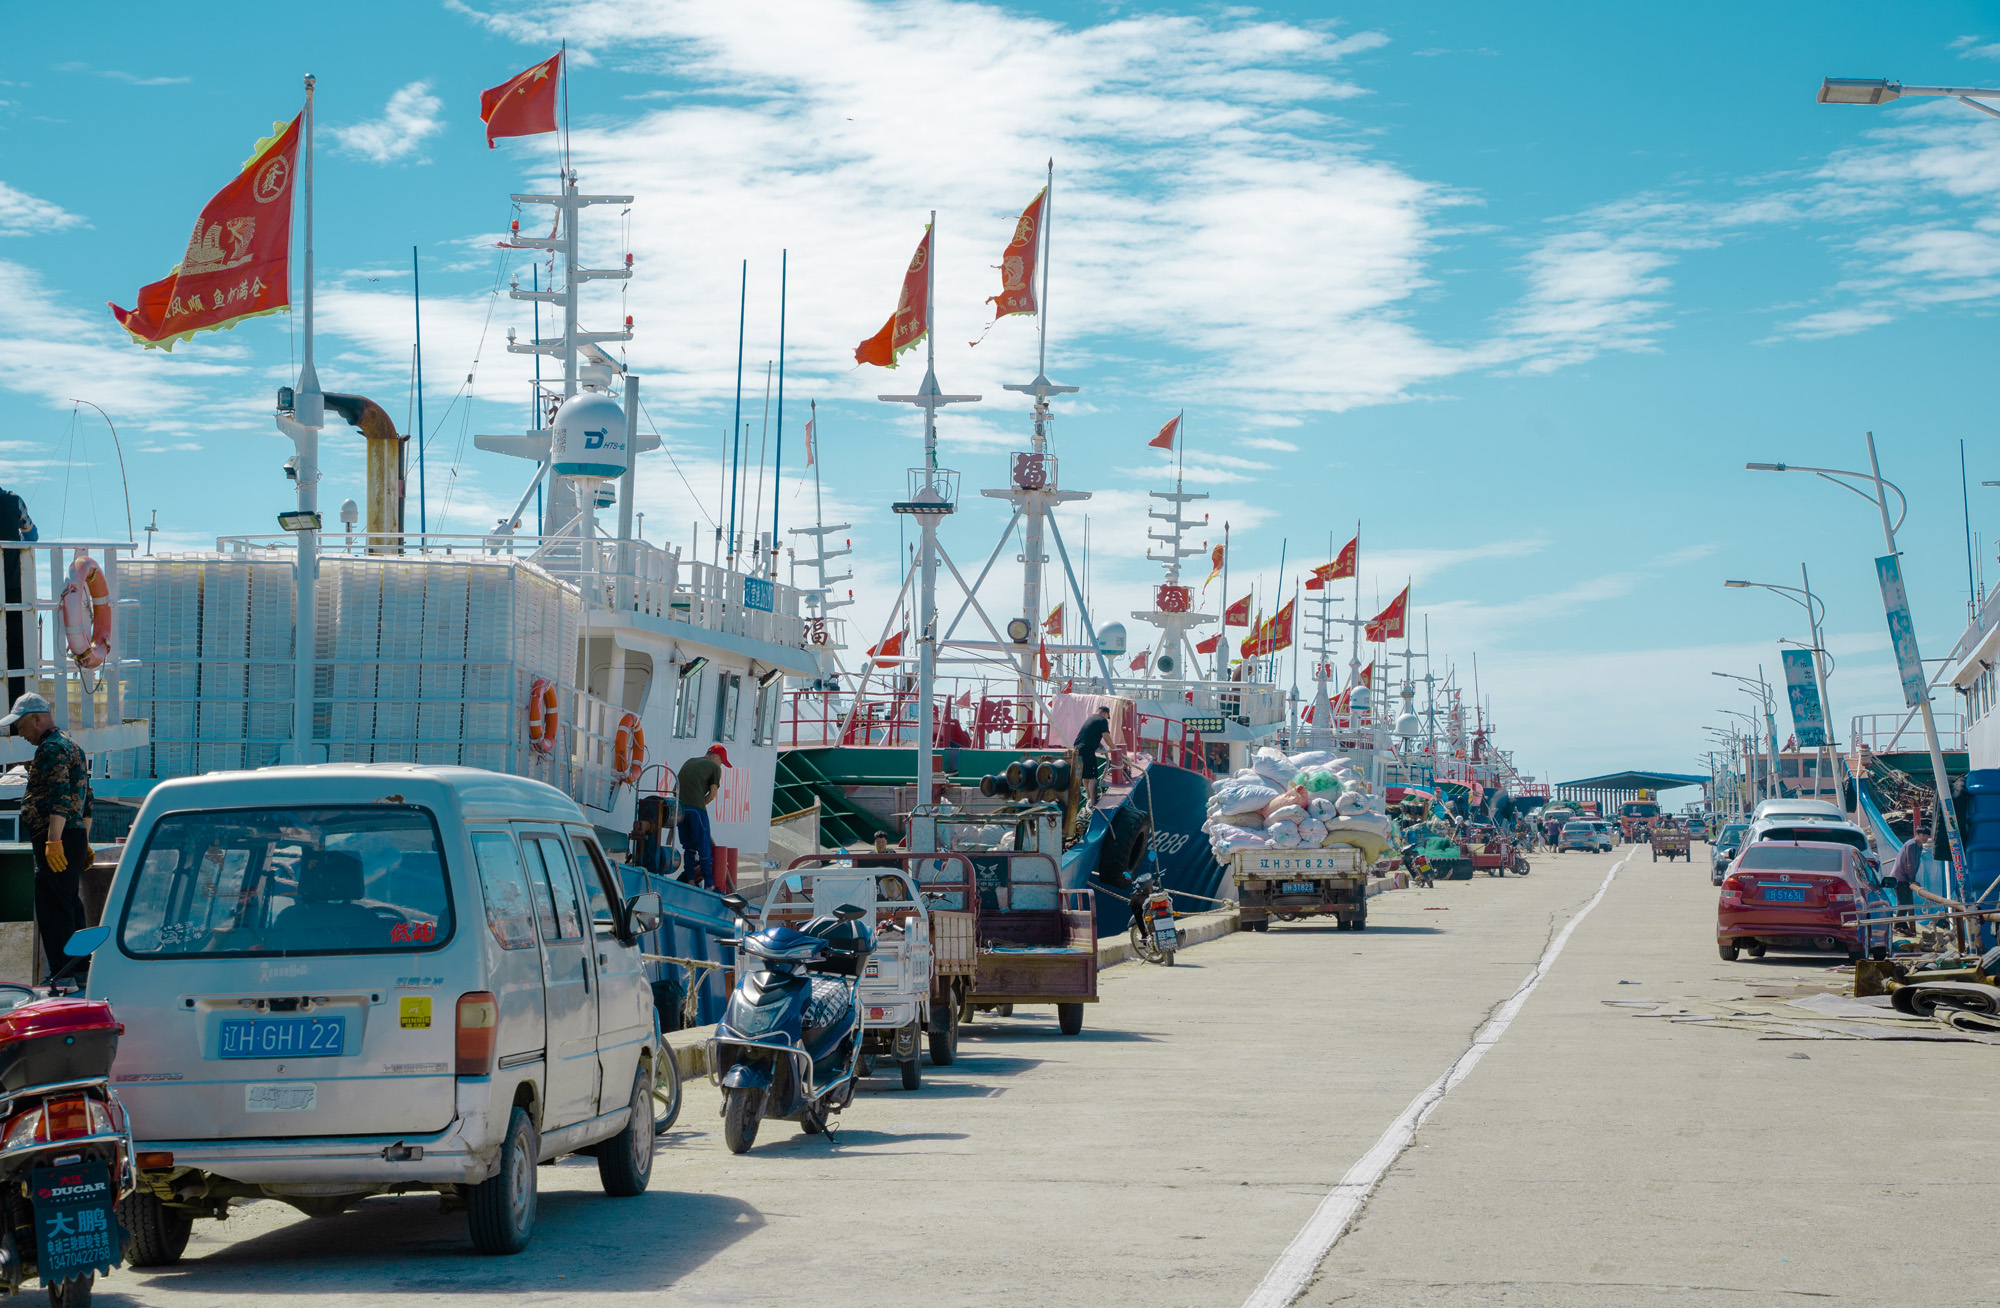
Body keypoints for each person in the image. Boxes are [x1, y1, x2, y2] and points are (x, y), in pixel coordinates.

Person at [1, 694, 92, 981]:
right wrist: (85, 841)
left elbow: (59, 795)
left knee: (53, 907)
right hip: (74, 837)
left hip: (57, 839)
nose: (21, 734)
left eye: (22, 726)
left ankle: (61, 976)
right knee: (69, 904)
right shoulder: (73, 746)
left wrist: (54, 840)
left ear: (36, 719)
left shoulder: (50, 748)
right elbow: (87, 799)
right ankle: (80, 972)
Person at [676, 744, 729, 889]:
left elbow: (675, 789)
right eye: (722, 762)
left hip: (679, 810)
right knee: (705, 849)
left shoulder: (690, 761)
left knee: (689, 849)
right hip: (696, 810)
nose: (721, 766)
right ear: (716, 757)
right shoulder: (715, 768)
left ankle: (691, 882)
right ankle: (710, 886)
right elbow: (712, 795)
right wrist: (699, 804)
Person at [1073, 705, 1112, 799]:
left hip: (1077, 749)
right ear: (1105, 714)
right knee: (1093, 776)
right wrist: (1114, 749)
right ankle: (1093, 801)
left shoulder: (1090, 719)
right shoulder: (1102, 720)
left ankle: (1089, 797)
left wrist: (1102, 748)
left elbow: (1091, 737)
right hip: (1087, 750)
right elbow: (1106, 736)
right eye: (1107, 716)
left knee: (1086, 775)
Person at [1887, 833, 1920, 937]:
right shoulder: (1911, 845)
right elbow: (1910, 863)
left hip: (1904, 878)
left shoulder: (1917, 845)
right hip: (1900, 878)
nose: (1925, 838)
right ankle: (1897, 926)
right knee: (1904, 903)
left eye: (1927, 836)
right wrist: (1912, 880)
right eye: (1923, 835)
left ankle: (1903, 926)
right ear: (1917, 834)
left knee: (1907, 903)